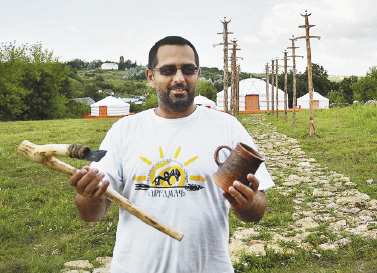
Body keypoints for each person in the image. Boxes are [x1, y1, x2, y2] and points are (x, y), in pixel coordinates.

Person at [68, 36, 274, 273]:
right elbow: (92, 214)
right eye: (167, 70)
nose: (179, 78)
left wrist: (247, 203)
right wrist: (88, 195)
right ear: (150, 76)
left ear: (198, 74)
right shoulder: (124, 131)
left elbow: (257, 210)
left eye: (188, 70)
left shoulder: (227, 127)